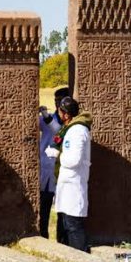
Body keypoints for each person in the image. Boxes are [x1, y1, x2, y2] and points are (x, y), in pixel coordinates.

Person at [45, 97, 92, 252]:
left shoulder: (77, 131)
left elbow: (74, 160)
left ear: (65, 114)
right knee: (66, 225)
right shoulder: (70, 129)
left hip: (73, 186)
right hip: (67, 185)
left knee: (74, 227)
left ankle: (81, 260)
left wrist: (59, 154)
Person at [38, 88, 69, 238]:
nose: (57, 103)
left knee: (63, 209)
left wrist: (46, 117)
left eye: (61, 100)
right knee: (43, 208)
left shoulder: (70, 123)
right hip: (45, 169)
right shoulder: (47, 118)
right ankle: (42, 236)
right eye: (56, 100)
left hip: (62, 170)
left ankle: (62, 240)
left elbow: (59, 131)